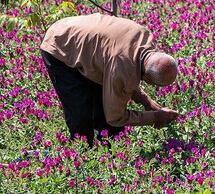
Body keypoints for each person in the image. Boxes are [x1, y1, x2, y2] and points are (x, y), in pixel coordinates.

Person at [40, 13, 179, 147]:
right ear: (148, 78)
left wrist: (146, 101)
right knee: (80, 112)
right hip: (59, 45)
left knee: (102, 104)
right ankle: (82, 154)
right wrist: (154, 117)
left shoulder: (145, 38)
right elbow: (116, 117)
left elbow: (130, 71)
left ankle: (107, 149)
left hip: (78, 36)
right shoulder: (120, 67)